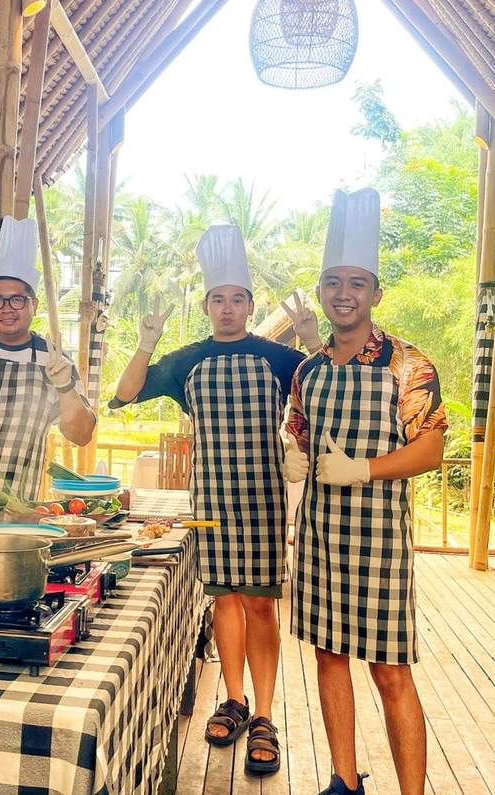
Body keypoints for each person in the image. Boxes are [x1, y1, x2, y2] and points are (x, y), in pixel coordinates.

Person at [110, 225, 305, 777]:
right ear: (206, 304)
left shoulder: (277, 357)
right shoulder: (188, 360)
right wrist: (146, 341)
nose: (227, 307)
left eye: (236, 299)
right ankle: (235, 699)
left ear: (250, 304)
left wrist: (313, 341)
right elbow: (125, 393)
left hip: (265, 500)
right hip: (213, 500)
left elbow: (328, 384)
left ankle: (264, 715)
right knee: (223, 601)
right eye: (217, 299)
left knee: (262, 604)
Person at [281, 189, 447, 795]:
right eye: (332, 281)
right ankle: (344, 781)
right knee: (328, 657)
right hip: (322, 536)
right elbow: (297, 431)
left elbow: (430, 449)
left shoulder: (408, 364)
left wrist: (364, 469)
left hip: (379, 541)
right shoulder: (310, 369)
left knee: (390, 670)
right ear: (322, 291)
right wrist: (292, 453)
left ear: (375, 293)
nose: (342, 293)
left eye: (356, 282)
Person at [0, 216, 95, 517]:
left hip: (14, 505)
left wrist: (64, 386)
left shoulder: (53, 360)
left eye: (17, 300)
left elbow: (81, 435)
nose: (7, 309)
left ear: (33, 305)